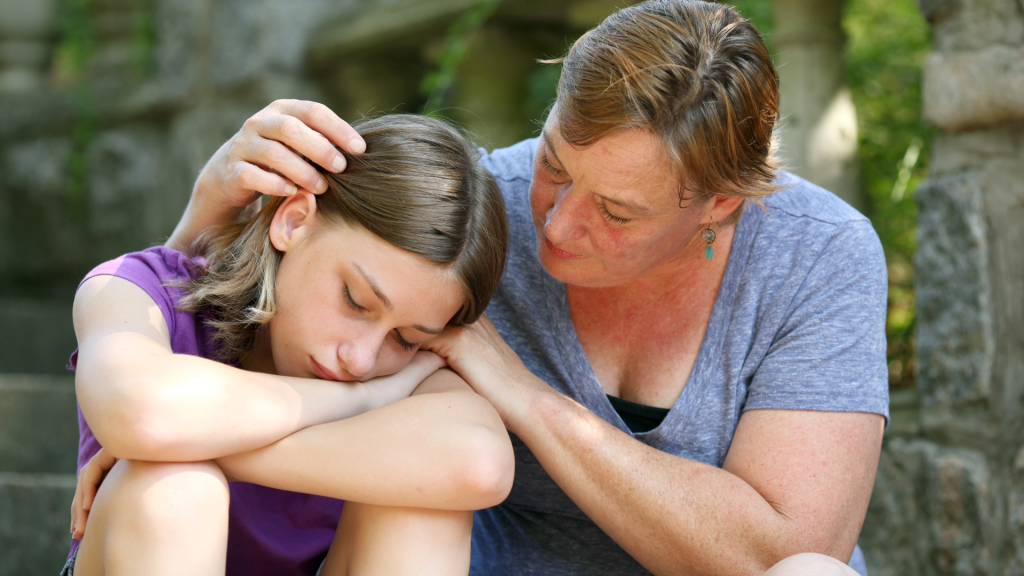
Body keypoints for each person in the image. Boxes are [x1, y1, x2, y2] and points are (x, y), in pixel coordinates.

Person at [85, 1, 890, 575]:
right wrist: (205, 213)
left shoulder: (815, 255)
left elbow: (784, 553)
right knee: (179, 492)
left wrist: (521, 393)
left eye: (614, 210)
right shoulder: (475, 219)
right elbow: (201, 298)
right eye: (554, 163)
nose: (558, 224)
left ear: (721, 206)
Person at [63, 114, 514, 576]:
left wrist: (202, 443)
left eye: (406, 337)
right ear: (294, 220)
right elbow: (143, 412)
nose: (360, 360)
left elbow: (480, 465)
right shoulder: (140, 290)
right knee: (172, 484)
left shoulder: (409, 370)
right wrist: (363, 399)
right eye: (355, 301)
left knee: (424, 504)